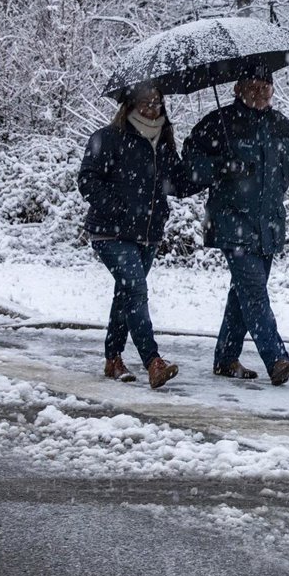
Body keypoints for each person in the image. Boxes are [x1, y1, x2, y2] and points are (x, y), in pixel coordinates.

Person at [183, 69, 289, 386]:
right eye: (254, 87)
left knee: (243, 294)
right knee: (254, 292)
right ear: (239, 88)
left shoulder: (281, 125)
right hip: (231, 221)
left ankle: (226, 359)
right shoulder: (219, 123)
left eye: (266, 87)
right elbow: (190, 164)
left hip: (268, 224)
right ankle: (276, 359)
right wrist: (221, 167)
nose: (261, 93)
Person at [77, 82, 190, 389]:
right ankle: (153, 361)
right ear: (129, 107)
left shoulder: (163, 144)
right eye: (145, 103)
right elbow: (87, 180)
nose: (152, 109)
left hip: (149, 234)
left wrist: (203, 157)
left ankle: (113, 359)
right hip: (110, 233)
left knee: (126, 295)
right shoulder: (108, 138)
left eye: (157, 104)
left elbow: (179, 185)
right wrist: (117, 207)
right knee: (136, 291)